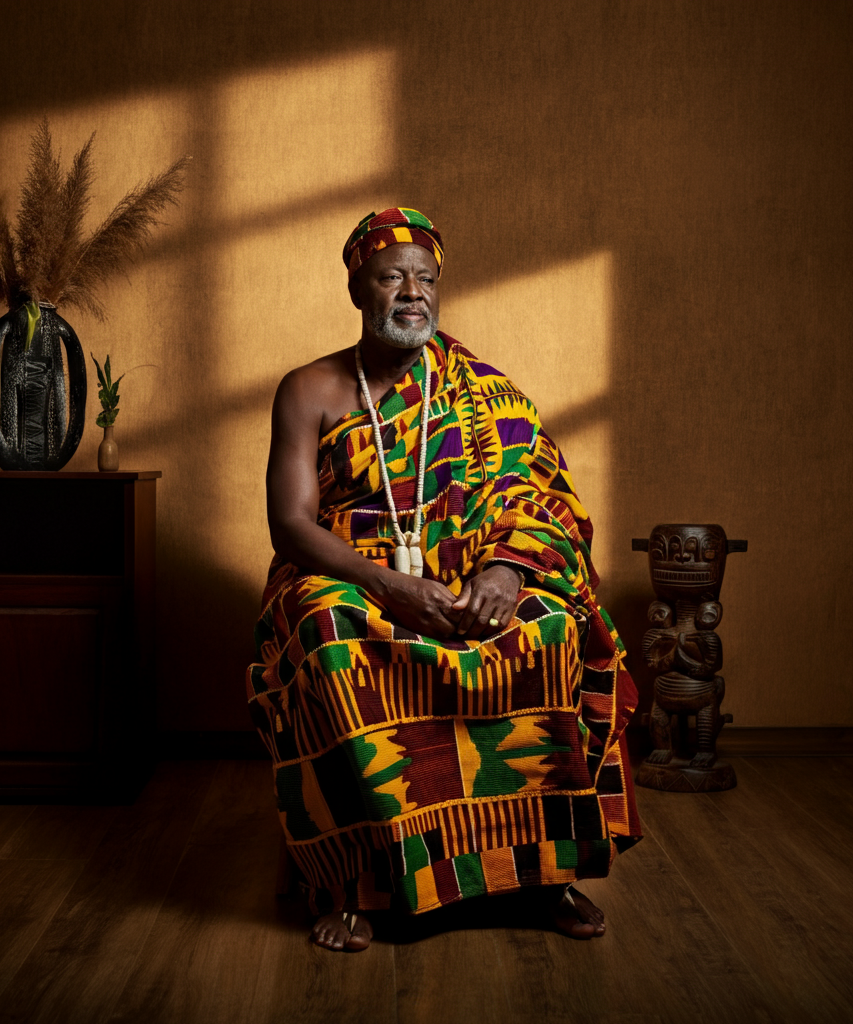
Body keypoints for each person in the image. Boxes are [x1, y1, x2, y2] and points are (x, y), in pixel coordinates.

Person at [247, 208, 641, 952]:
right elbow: (291, 525)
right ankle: (353, 882)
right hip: (352, 573)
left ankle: (539, 872)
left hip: (472, 572)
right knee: (323, 629)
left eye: (425, 278)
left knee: (549, 627)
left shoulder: (482, 389)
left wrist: (503, 569)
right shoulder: (308, 388)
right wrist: (391, 587)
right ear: (358, 286)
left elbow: (538, 493)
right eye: (391, 276)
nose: (412, 292)